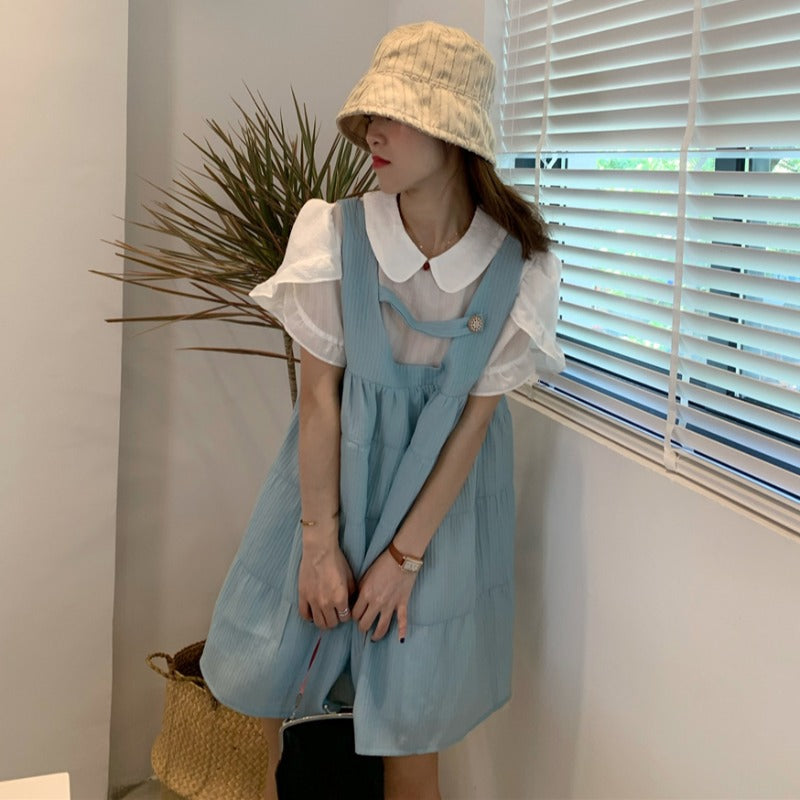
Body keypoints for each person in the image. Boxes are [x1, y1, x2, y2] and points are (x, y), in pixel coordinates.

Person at [200, 20, 564, 800]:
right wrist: (319, 544)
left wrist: (404, 561)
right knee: (272, 690)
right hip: (328, 495)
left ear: (453, 134)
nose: (372, 131)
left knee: (411, 724)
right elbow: (319, 399)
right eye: (372, 114)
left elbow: (472, 426)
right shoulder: (335, 236)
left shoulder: (519, 269)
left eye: (395, 114)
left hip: (440, 519)